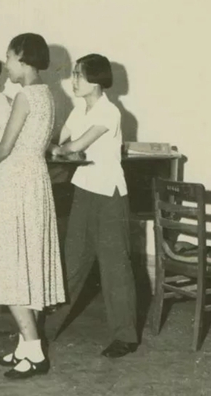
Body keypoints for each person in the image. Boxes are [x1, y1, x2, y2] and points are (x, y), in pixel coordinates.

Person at [0, 33, 65, 379]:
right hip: (33, 179)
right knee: (27, 264)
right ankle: (24, 346)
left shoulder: (24, 96)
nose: (6, 64)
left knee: (11, 265)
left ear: (23, 58)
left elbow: (5, 148)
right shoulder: (46, 93)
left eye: (8, 58)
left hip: (17, 182)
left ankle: (35, 351)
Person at [49, 53, 138, 358]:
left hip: (109, 196)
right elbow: (59, 140)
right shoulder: (79, 110)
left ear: (97, 80)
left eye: (79, 75)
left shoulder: (109, 112)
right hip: (84, 190)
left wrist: (59, 149)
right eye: (74, 74)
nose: (73, 80)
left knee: (115, 268)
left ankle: (126, 336)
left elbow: (73, 146)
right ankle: (44, 329)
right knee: (72, 264)